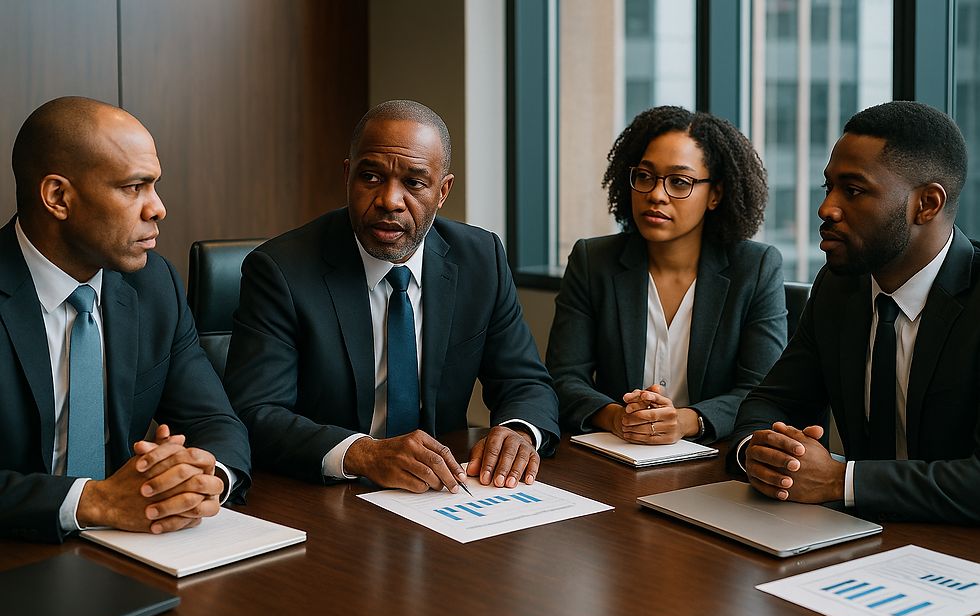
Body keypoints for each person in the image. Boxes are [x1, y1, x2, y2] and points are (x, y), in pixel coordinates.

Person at [224, 100, 559, 492]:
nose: (389, 200)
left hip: (441, 494)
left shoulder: (480, 259)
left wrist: (518, 432)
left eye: (415, 183)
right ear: (348, 175)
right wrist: (363, 454)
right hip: (328, 493)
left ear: (443, 191)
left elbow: (526, 382)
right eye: (370, 177)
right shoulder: (280, 270)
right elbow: (254, 412)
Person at [0, 97, 251, 543]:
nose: (157, 208)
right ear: (59, 197)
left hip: (132, 545)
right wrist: (94, 501)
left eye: (154, 186)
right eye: (134, 187)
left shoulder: (155, 284)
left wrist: (202, 478)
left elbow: (217, 422)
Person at [730, 100, 980, 525]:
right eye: (828, 187)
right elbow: (773, 402)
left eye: (854, 190)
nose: (827, 208)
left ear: (927, 204)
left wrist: (839, 481)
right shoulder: (839, 286)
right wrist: (763, 455)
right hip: (850, 538)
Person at [546, 106, 786, 444]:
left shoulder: (756, 268)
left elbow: (761, 390)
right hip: (616, 452)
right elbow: (563, 378)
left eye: (679, 182)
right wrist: (618, 417)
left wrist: (685, 422)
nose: (656, 194)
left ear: (715, 194)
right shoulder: (593, 261)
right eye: (644, 176)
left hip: (712, 460)